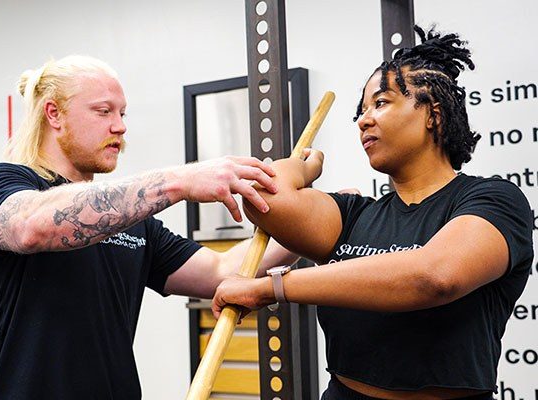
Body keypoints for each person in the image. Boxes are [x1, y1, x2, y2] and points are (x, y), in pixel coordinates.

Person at [0, 55, 301, 399]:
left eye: (122, 113)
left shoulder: (133, 222)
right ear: (54, 114)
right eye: (104, 112)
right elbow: (32, 227)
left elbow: (220, 270)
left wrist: (321, 222)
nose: (119, 126)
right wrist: (181, 180)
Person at [212, 26, 533, 400]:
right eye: (361, 111)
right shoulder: (353, 216)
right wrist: (305, 168)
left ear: (433, 114)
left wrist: (273, 288)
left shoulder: (494, 200)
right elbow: (263, 198)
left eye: (380, 103)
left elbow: (436, 276)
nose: (364, 120)